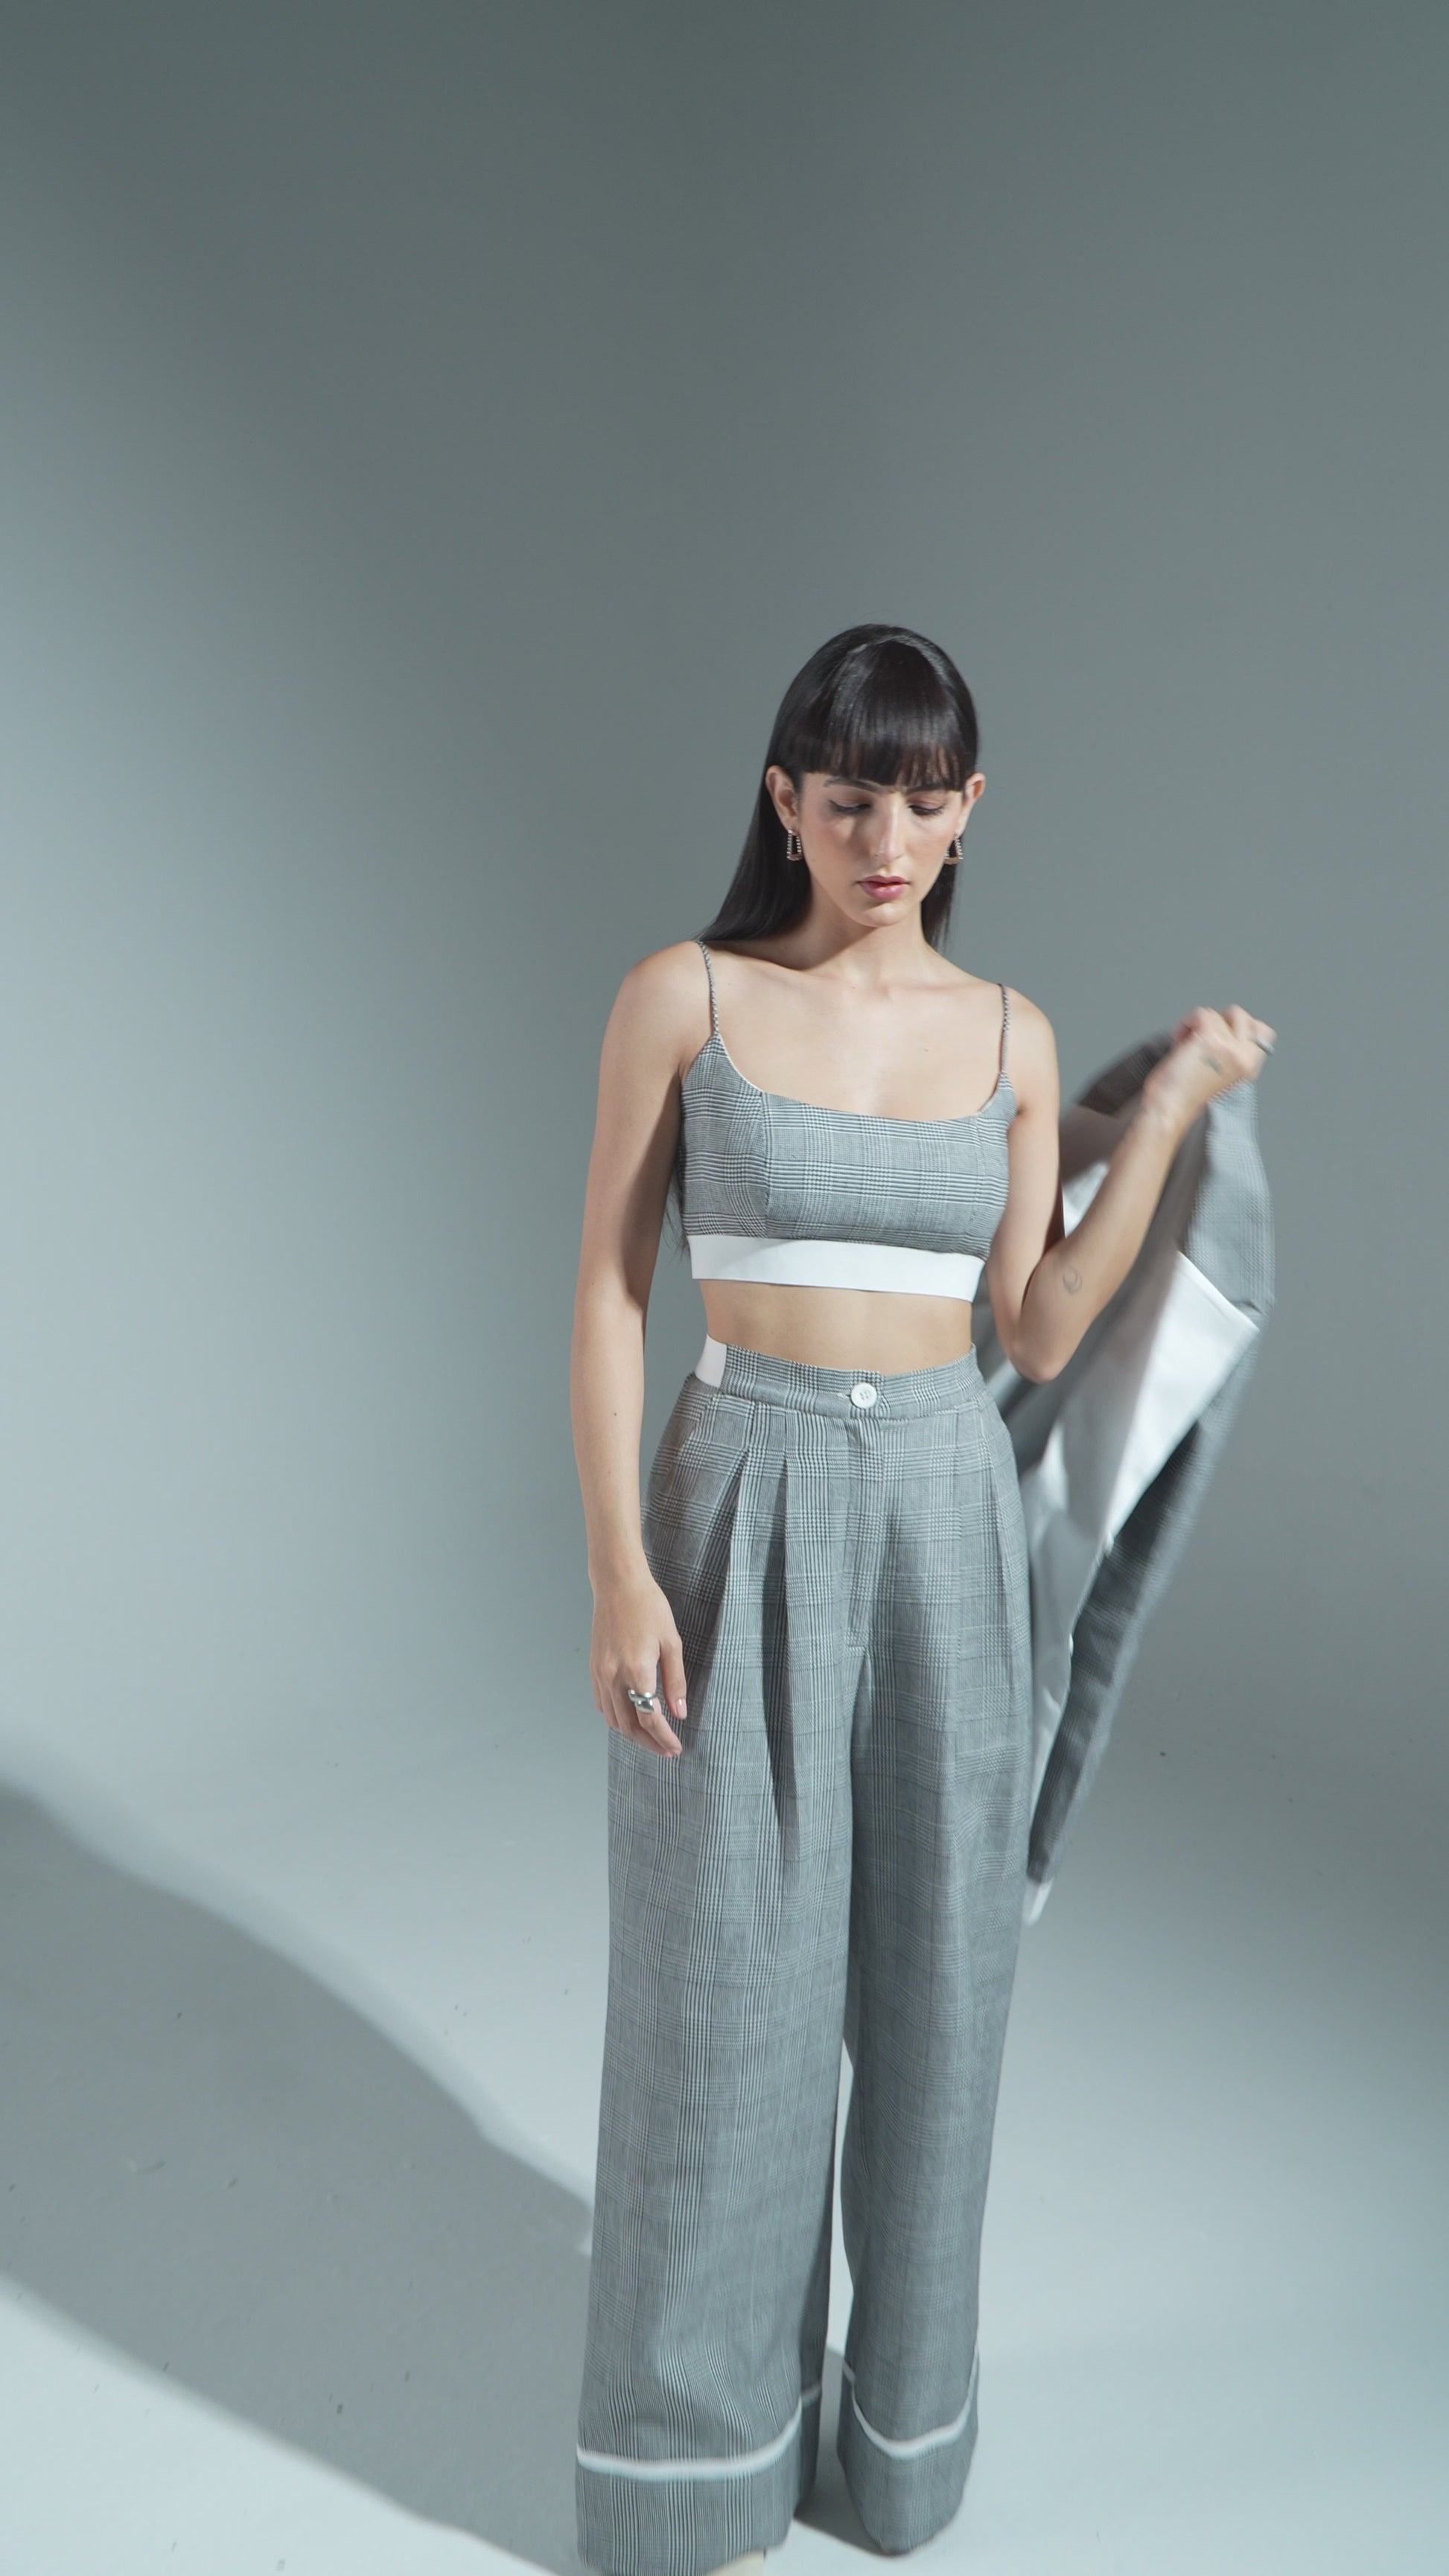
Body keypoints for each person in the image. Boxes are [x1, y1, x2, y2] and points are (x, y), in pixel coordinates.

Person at [569, 625, 1273, 2576]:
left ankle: (893, 2448)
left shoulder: (1011, 1038)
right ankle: (691, 2474)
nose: (889, 838)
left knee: (939, 1986)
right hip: (740, 1490)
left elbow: (1036, 1324)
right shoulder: (685, 997)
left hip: (944, 1507)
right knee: (721, 1986)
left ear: (971, 811)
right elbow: (609, 1294)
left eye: (927, 799)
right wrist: (620, 1565)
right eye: (851, 795)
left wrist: (1172, 1111)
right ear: (785, 799)